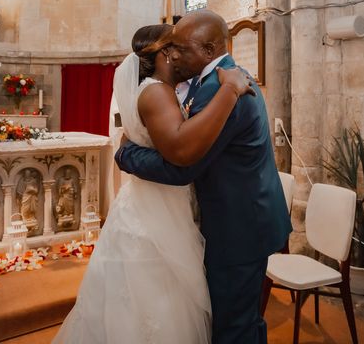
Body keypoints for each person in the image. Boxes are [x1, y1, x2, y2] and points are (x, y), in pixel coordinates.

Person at [53, 23, 257, 344]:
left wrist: (126, 152)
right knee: (158, 297)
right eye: (174, 46)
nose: (180, 51)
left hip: (156, 201)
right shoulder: (157, 91)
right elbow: (180, 154)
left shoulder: (160, 89)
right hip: (157, 208)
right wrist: (229, 91)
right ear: (165, 53)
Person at [115, 11, 291, 344]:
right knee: (242, 319)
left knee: (234, 327)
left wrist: (127, 154)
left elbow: (182, 165)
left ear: (209, 50)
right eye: (171, 49)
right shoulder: (213, 81)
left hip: (238, 228)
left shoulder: (219, 89)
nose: (174, 56)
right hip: (242, 218)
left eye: (181, 48)